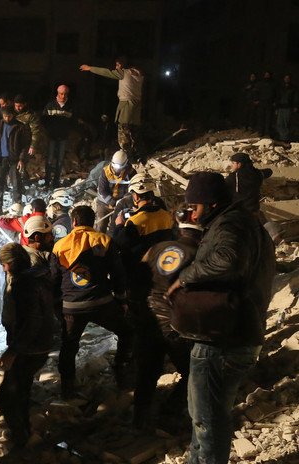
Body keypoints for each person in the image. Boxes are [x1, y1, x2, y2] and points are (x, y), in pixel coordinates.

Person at [166, 172, 275, 464]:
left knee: (208, 420)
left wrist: (185, 278)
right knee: (204, 417)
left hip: (223, 341)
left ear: (212, 204)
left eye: (196, 206)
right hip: (234, 334)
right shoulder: (245, 222)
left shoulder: (230, 225)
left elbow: (226, 260)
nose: (191, 212)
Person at [131, 209, 202, 428]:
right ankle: (170, 412)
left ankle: (139, 419)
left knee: (147, 371)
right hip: (174, 322)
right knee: (191, 372)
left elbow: (138, 277)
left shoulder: (156, 248)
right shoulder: (199, 255)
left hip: (148, 318)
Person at [52, 205, 132, 398]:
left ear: (73, 222)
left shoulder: (59, 245)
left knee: (69, 346)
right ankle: (121, 372)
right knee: (128, 332)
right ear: (93, 220)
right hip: (101, 303)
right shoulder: (104, 240)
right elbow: (118, 273)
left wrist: (58, 307)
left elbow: (54, 279)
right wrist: (121, 299)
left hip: (71, 307)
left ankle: (67, 389)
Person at [0, 242, 54, 448]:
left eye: (4, 264)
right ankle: (25, 431)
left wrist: (13, 350)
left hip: (29, 347)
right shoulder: (38, 277)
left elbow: (32, 320)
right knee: (22, 390)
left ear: (11, 263)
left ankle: (22, 440)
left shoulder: (24, 284)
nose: (3, 269)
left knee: (5, 396)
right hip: (40, 344)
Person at [80, 57, 144, 157]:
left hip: (126, 104)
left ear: (123, 65)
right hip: (136, 107)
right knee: (134, 132)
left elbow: (107, 72)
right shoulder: (139, 74)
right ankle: (138, 154)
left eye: (118, 65)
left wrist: (90, 68)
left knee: (123, 132)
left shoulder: (124, 73)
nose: (116, 67)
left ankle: (126, 156)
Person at [111, 175, 174, 274]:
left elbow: (118, 244)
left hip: (141, 271)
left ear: (135, 196)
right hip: (164, 265)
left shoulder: (135, 221)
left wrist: (119, 225)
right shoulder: (166, 215)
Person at [0, 106, 30, 216]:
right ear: (2, 115)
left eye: (9, 116)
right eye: (5, 116)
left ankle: (17, 206)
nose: (7, 118)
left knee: (16, 183)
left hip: (14, 160)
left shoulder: (20, 127)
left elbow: (25, 145)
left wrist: (21, 159)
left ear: (13, 115)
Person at [43, 85, 78, 189]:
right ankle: (46, 182)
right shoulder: (50, 106)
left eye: (65, 94)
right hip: (52, 137)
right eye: (61, 94)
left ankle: (55, 183)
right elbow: (44, 120)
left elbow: (73, 122)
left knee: (60, 160)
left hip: (63, 137)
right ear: (57, 93)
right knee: (49, 160)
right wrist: (50, 131)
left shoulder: (70, 107)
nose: (63, 96)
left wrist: (67, 131)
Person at [95, 150, 134, 233]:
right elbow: (102, 190)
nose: (116, 169)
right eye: (115, 166)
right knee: (101, 227)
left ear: (125, 164)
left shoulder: (131, 172)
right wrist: (112, 202)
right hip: (104, 204)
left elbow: (132, 189)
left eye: (119, 167)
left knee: (117, 227)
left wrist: (124, 201)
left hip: (120, 205)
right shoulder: (105, 172)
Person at [13, 94, 44, 167]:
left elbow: (35, 131)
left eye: (20, 106)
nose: (18, 108)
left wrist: (33, 146)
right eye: (16, 105)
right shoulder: (11, 113)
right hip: (12, 143)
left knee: (23, 163)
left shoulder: (31, 116)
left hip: (25, 143)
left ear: (25, 104)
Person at [275, 74, 297, 141]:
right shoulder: (280, 87)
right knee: (279, 123)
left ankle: (286, 138)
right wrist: (276, 107)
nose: (287, 79)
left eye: (288, 78)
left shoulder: (293, 88)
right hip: (281, 107)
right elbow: (277, 97)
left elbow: (295, 98)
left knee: (286, 123)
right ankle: (282, 138)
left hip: (288, 107)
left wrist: (295, 106)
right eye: (285, 78)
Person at [255, 71, 276, 137]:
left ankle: (267, 132)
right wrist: (256, 100)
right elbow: (256, 92)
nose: (267, 76)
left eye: (268, 75)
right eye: (265, 75)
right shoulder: (260, 84)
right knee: (261, 118)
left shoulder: (272, 84)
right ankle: (261, 132)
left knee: (268, 118)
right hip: (262, 102)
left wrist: (275, 102)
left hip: (269, 103)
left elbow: (275, 93)